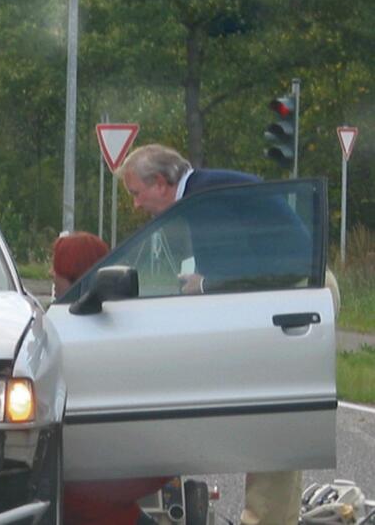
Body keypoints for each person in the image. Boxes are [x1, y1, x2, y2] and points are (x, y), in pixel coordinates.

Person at [118, 143, 303, 525]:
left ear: (161, 184)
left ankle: (267, 519)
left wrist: (206, 285)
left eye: (136, 194)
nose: (136, 205)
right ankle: (272, 516)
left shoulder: (206, 198)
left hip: (297, 293)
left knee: (270, 416)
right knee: (269, 416)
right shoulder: (203, 192)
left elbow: (257, 269)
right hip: (284, 293)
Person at [52, 231, 169, 525]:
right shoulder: (131, 331)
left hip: (84, 497)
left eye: (57, 280)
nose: (54, 288)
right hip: (109, 493)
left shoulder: (58, 332)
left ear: (76, 280)